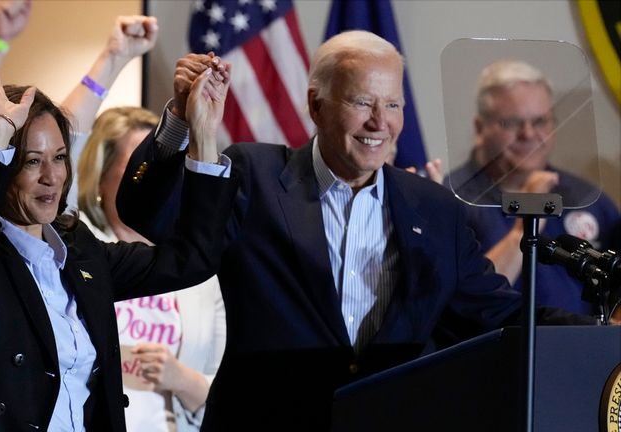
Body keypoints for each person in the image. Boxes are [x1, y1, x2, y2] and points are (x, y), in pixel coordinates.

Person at [116, 32, 594, 431]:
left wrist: (599, 333)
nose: (378, 123)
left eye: (392, 104)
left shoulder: (435, 208)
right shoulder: (253, 175)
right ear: (316, 104)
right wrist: (180, 120)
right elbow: (149, 216)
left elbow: (495, 312)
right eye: (362, 101)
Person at [0, 57, 234, 431]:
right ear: (1, 166)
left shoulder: (80, 249)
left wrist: (197, 130)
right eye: (32, 161)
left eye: (60, 158)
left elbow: (190, 258)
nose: (51, 177)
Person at [77, 107, 225, 431]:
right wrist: (114, 58)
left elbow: (225, 392)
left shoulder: (196, 271)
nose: (160, 178)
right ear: (100, 176)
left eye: (170, 167)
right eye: (137, 163)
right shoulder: (78, 254)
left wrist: (181, 379)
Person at [446, 60, 620, 315]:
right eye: (512, 123)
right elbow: (462, 302)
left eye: (540, 121)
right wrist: (523, 227)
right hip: (495, 351)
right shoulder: (452, 200)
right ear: (480, 128)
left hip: (586, 349)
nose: (528, 134)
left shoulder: (589, 199)